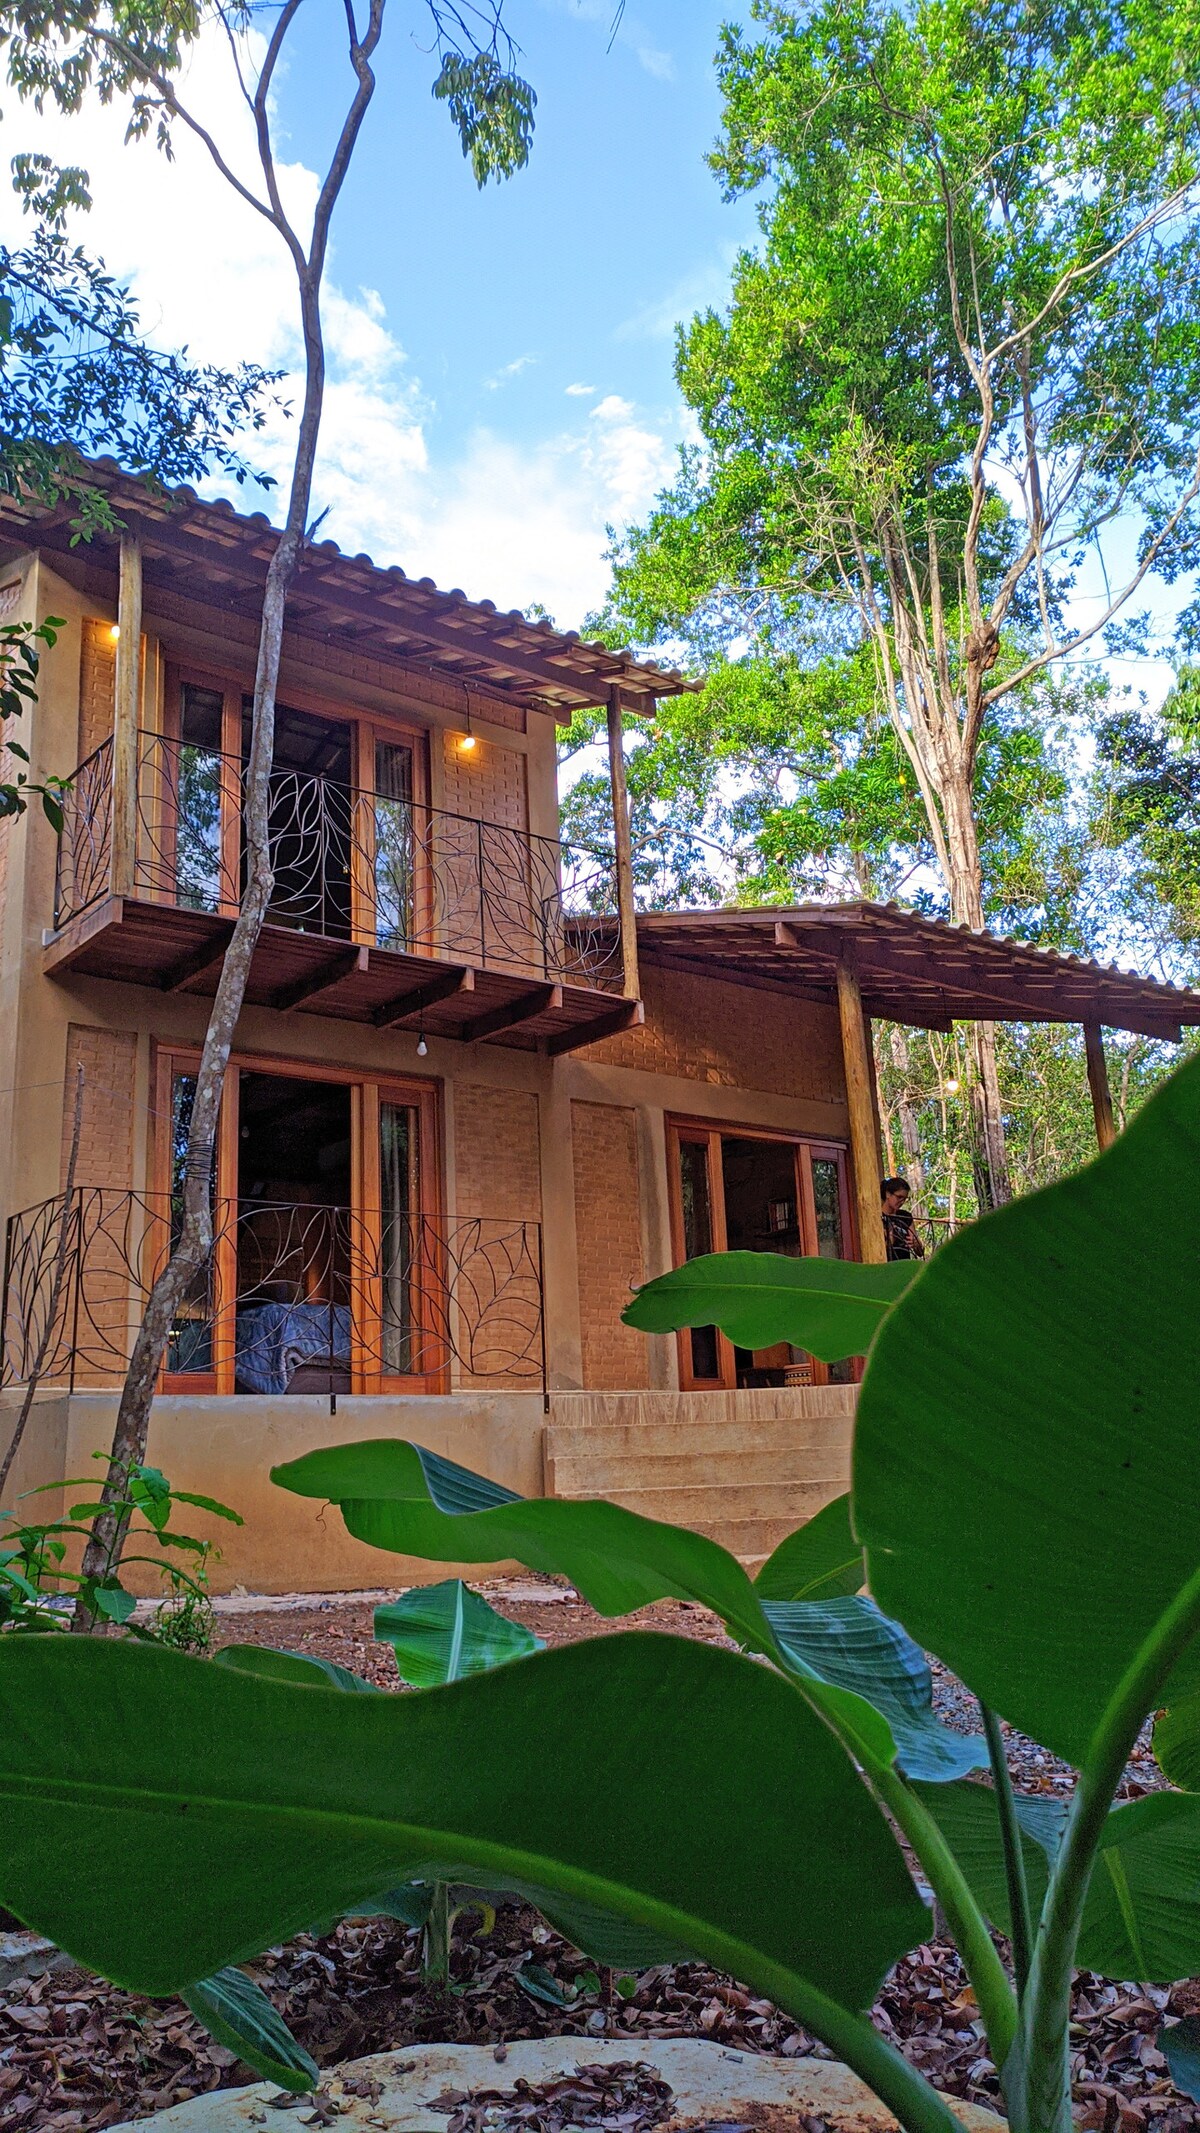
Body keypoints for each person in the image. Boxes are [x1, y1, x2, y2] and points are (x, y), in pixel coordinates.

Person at [881, 1176, 925, 1261]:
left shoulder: (905, 1216)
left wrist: (915, 1243)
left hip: (904, 1263)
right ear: (888, 1194)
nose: (901, 1201)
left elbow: (920, 1252)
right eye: (899, 1197)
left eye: (904, 1199)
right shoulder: (878, 1216)